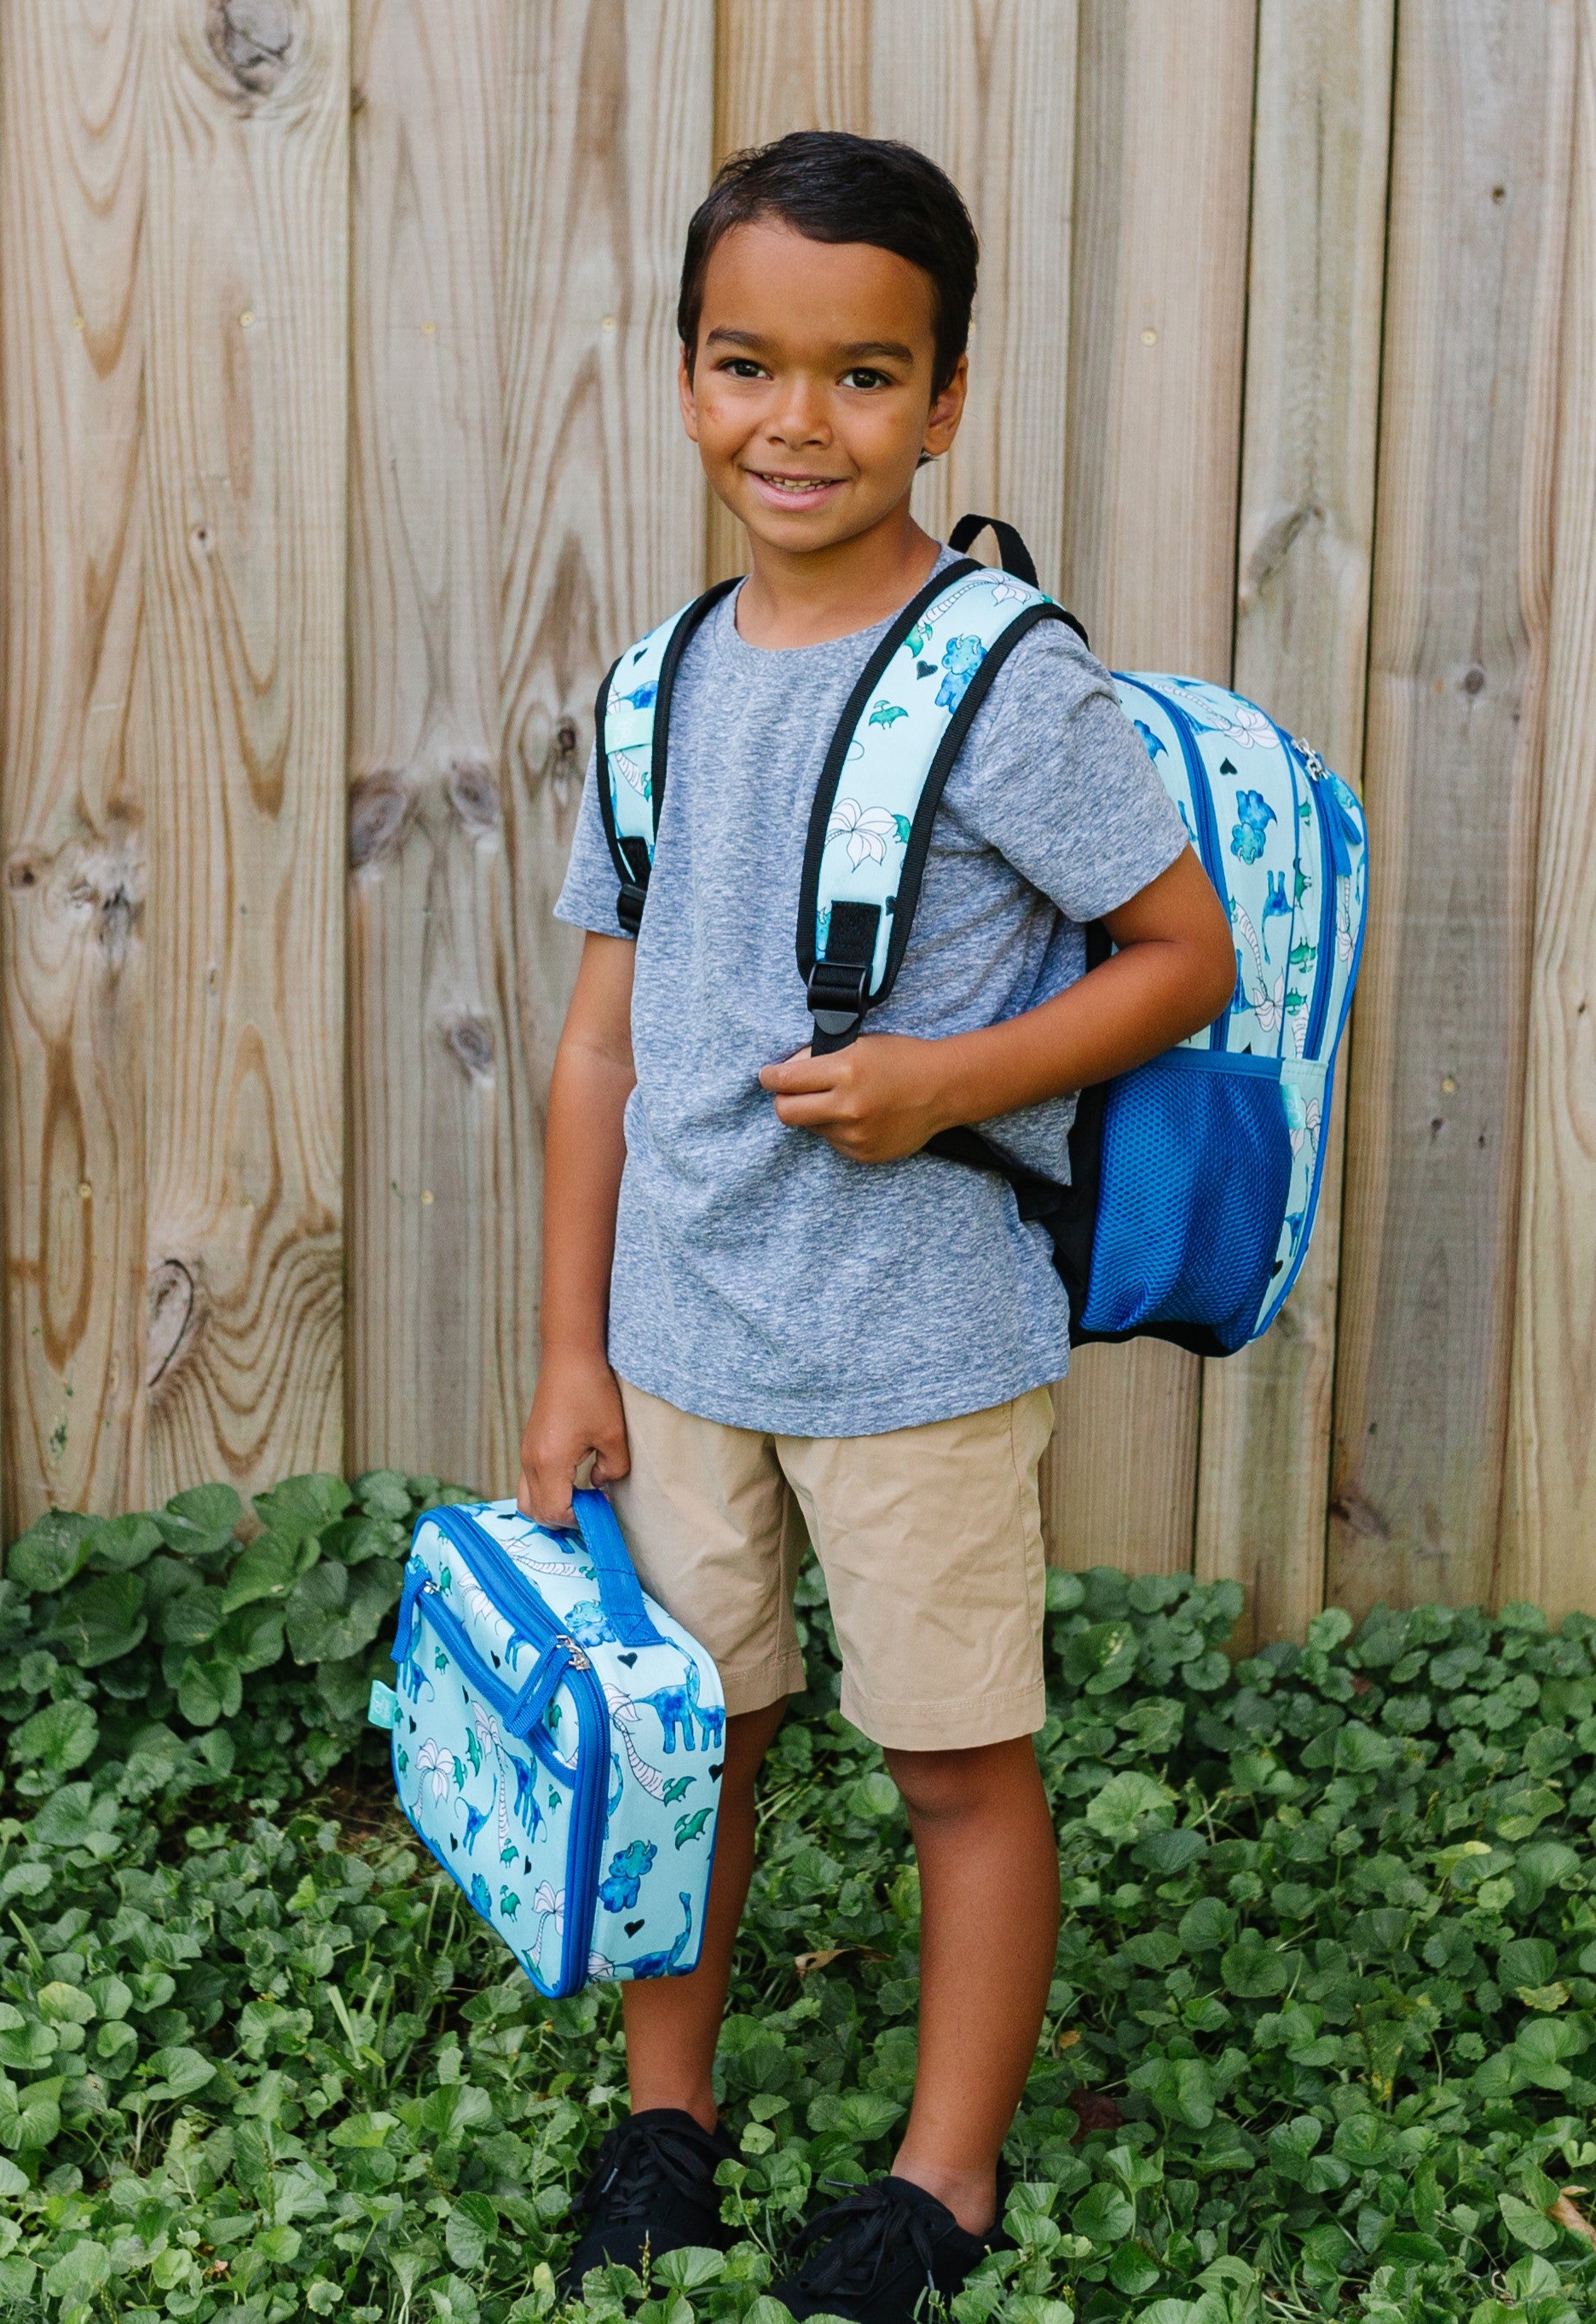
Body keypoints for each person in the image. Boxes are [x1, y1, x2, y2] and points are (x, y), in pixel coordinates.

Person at [519, 129, 1236, 2321]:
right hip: (678, 1336)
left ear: (941, 399)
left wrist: (947, 1080)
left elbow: (1179, 953)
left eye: (859, 375)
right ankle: (670, 2115)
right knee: (690, 1738)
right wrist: (567, 1348)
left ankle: (940, 2185)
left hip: (915, 1339)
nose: (796, 422)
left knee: (950, 1760)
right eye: (749, 364)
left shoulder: (997, 677)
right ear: (682, 377)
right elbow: (598, 1055)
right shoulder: (657, 687)